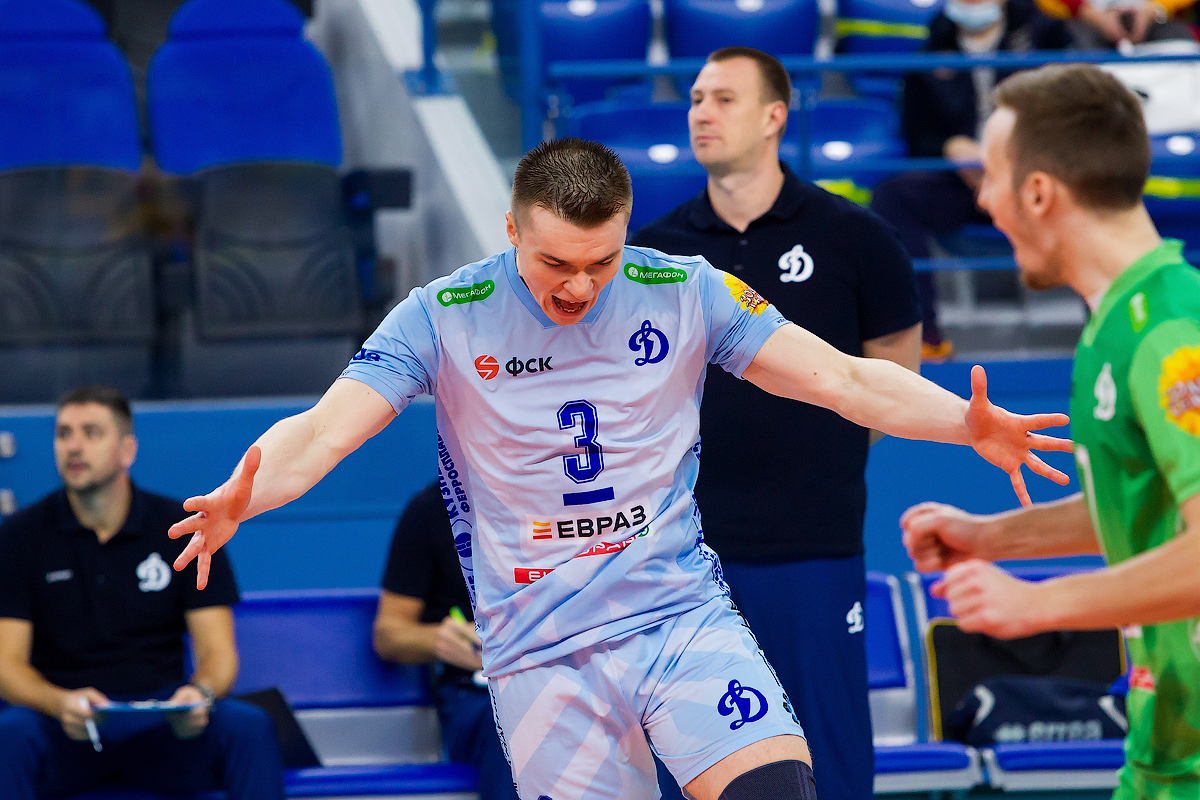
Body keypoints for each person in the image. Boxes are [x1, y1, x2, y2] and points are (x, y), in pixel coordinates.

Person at [169, 137, 1072, 800]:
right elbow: (325, 431)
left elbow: (840, 378)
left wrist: (963, 423)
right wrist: (251, 495)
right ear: (510, 229)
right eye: (555, 263)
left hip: (677, 615)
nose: (578, 286)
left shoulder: (685, 290)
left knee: (778, 787)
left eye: (601, 261)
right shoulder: (442, 314)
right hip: (539, 649)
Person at [899, 63, 1200, 798]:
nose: (983, 199)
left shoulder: (1168, 330)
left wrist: (1038, 603)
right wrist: (991, 537)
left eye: (992, 177)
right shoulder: (1114, 323)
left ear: (1038, 192)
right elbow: (1140, 511)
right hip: (1163, 754)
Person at [631, 47, 921, 800]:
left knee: (828, 764)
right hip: (688, 562)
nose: (701, 112)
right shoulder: (655, 255)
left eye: (723, 98)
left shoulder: (857, 239)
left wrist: (811, 456)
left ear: (773, 117)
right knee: (698, 768)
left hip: (814, 550)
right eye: (696, 97)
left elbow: (895, 382)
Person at [0, 385, 285, 800]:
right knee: (10, 733)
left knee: (249, 728)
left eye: (91, 433)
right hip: (65, 725)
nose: (73, 446)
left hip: (164, 726)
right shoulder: (19, 536)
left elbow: (218, 655)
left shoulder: (183, 529)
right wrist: (59, 703)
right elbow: (7, 667)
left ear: (127, 450)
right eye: (64, 434)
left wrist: (198, 695)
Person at [869, 0, 1072, 361]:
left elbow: (1074, 115)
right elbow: (916, 135)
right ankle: (926, 340)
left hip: (1035, 176)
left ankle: (1106, 330)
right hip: (964, 183)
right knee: (893, 197)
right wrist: (948, 147)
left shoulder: (1047, 34)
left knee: (1088, 191)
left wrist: (1014, 161)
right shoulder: (931, 49)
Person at [373, 481, 520, 800]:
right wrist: (438, 639)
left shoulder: (571, 501)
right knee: (514, 719)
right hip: (478, 694)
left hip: (573, 672)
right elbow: (388, 633)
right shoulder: (432, 508)